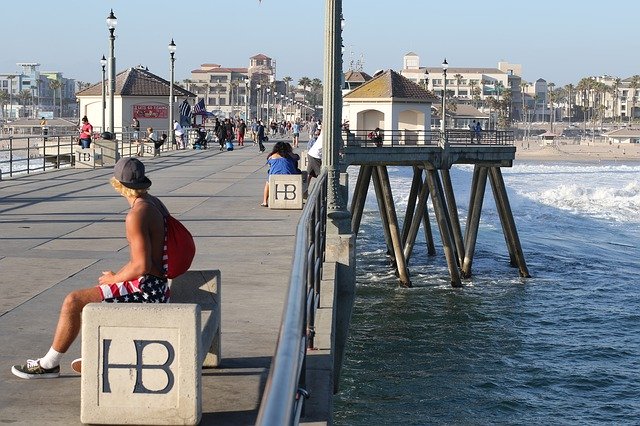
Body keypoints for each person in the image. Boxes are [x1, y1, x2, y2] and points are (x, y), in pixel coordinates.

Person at [11, 157, 170, 379]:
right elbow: (147, 259)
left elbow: (141, 265)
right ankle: (108, 351)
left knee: (73, 301)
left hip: (147, 291)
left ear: (117, 184)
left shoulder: (136, 214)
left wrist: (115, 280)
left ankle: (49, 365)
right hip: (158, 286)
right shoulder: (155, 203)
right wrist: (118, 277)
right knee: (97, 294)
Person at [262, 142, 301, 207]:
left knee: (267, 183)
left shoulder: (272, 156)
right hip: (290, 177)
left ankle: (265, 201)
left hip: (275, 178)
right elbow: (297, 157)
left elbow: (269, 165)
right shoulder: (289, 156)